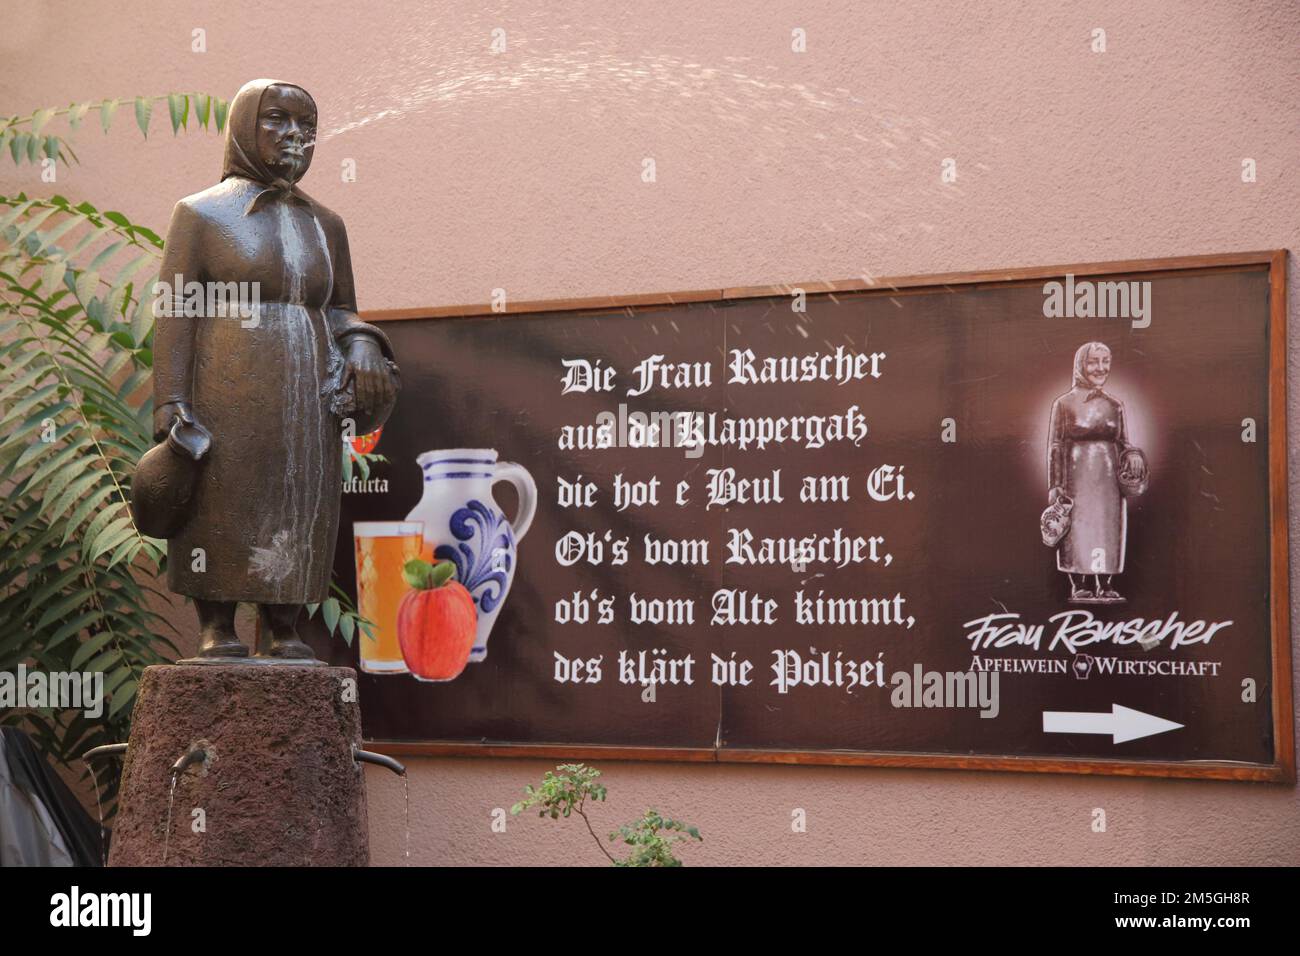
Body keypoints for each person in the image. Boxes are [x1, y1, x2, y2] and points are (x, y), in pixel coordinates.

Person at [151, 79, 399, 658]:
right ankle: (216, 626)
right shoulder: (201, 216)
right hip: (224, 384)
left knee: (297, 494)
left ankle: (284, 623)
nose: (295, 136)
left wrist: (363, 344)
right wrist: (171, 404)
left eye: (307, 128)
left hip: (307, 392)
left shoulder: (327, 225)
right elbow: (175, 313)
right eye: (278, 121)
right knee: (218, 494)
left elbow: (341, 309)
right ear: (243, 127)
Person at [1046, 342, 1146, 603]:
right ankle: (1078, 583)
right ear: (1081, 365)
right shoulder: (1063, 404)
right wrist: (1055, 484)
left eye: (1105, 361)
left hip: (1108, 482)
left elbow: (1124, 442)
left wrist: (1133, 454)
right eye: (1093, 362)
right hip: (1075, 479)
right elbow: (1055, 446)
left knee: (1108, 529)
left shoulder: (1115, 405)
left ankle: (1106, 583)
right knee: (1076, 529)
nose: (1100, 368)